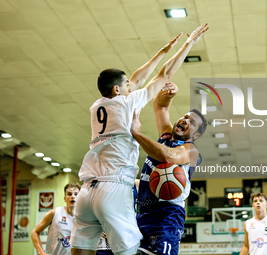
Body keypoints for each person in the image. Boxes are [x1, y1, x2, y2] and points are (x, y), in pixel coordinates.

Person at [71, 24, 209, 255]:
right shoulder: (127, 103)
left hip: (88, 188)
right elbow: (162, 77)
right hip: (113, 188)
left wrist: (161, 52)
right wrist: (188, 44)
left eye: (191, 121)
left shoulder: (98, 105)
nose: (131, 85)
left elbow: (135, 80)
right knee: (129, 251)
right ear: (118, 89)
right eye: (126, 85)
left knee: (82, 249)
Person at [130, 82, 207, 255]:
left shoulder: (191, 151)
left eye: (192, 122)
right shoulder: (165, 136)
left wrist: (137, 133)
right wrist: (169, 93)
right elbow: (160, 105)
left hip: (167, 216)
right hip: (143, 213)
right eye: (185, 117)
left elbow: (168, 157)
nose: (185, 121)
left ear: (195, 135)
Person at [31, 182, 81, 255]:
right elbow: (34, 232)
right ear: (65, 198)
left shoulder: (84, 218)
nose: (73, 196)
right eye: (69, 194)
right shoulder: (54, 213)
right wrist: (41, 252)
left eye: (76, 194)